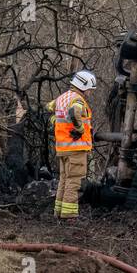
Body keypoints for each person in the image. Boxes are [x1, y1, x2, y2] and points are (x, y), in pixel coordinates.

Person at [48, 70, 96, 219]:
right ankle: (69, 215)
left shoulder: (62, 98)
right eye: (90, 90)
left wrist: (58, 122)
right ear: (83, 86)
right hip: (75, 148)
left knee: (64, 180)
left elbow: (51, 112)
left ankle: (59, 212)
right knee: (74, 182)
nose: (90, 93)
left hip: (63, 148)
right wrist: (80, 129)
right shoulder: (77, 100)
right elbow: (74, 113)